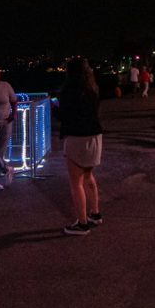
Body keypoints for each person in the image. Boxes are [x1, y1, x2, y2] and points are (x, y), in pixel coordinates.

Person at [57, 57, 103, 235]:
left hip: (77, 137)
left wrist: (55, 107)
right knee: (88, 176)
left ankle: (82, 224)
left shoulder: (68, 90)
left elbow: (65, 116)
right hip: (95, 135)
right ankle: (95, 213)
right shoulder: (93, 89)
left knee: (75, 182)